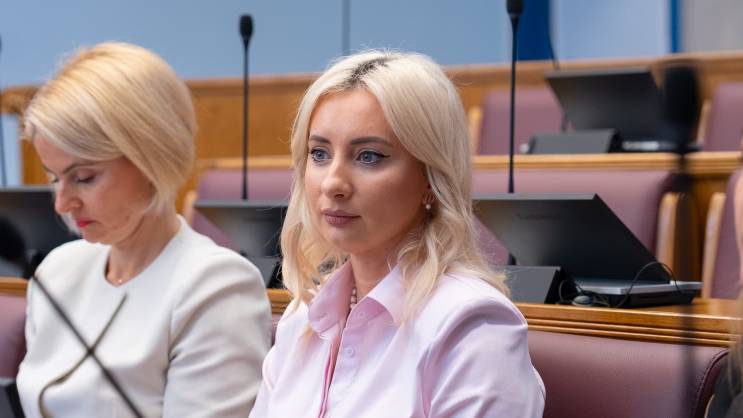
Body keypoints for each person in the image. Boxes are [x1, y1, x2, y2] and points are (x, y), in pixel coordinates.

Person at [250, 50, 545, 417]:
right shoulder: (302, 319)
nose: (333, 183)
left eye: (369, 156)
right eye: (319, 153)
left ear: (431, 179)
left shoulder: (472, 326)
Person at [16, 42, 271, 418]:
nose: (62, 204)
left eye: (83, 178)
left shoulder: (215, 286)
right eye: (55, 178)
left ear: (152, 158)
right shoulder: (58, 271)